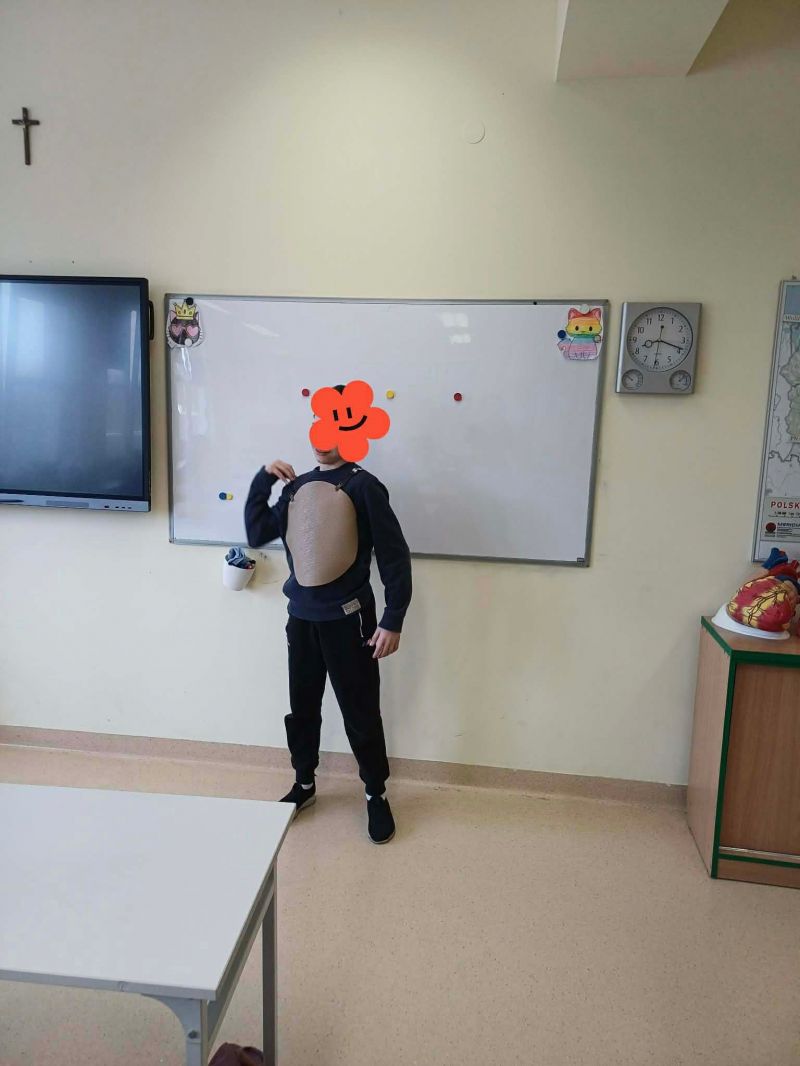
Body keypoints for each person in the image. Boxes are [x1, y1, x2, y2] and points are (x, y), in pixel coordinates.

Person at [244, 392, 412, 844]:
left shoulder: (364, 486)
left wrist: (393, 618)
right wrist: (263, 481)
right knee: (303, 709)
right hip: (302, 619)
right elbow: (258, 532)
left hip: (349, 622)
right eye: (319, 427)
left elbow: (394, 557)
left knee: (360, 711)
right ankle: (304, 783)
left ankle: (375, 793)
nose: (323, 439)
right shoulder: (296, 487)